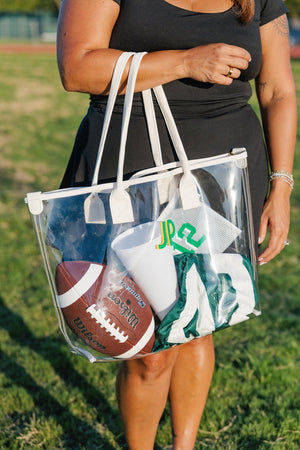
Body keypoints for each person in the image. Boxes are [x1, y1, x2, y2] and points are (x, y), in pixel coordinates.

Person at [56, 1, 296, 448]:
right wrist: (186, 62)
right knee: (149, 350)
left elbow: (278, 89)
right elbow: (77, 68)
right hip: (132, 175)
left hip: (225, 176)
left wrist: (281, 186)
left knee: (200, 318)